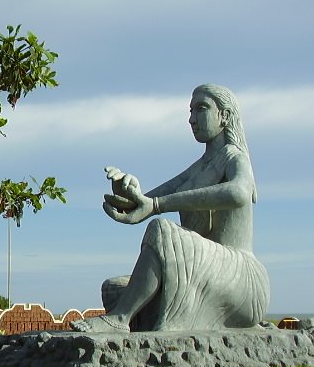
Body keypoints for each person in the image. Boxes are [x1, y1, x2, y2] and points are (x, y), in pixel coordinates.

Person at [71, 84, 270, 333]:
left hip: (241, 278)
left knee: (162, 230)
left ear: (225, 116)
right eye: (190, 111)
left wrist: (157, 206)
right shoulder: (199, 167)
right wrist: (127, 190)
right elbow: (145, 202)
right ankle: (133, 321)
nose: (191, 119)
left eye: (201, 109)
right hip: (207, 274)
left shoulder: (234, 157)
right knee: (114, 288)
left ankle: (120, 320)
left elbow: (239, 192)